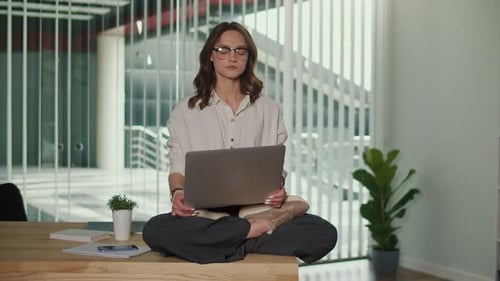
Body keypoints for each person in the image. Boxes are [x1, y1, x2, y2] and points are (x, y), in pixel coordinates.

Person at [142, 21, 337, 264]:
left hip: (256, 210)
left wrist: (278, 191)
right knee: (155, 229)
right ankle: (250, 235)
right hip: (204, 214)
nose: (232, 57)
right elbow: (177, 168)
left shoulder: (268, 108)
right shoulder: (186, 109)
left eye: (240, 50)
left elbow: (275, 172)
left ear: (248, 57)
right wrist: (178, 193)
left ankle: (222, 242)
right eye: (223, 50)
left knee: (323, 232)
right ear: (211, 56)